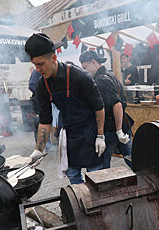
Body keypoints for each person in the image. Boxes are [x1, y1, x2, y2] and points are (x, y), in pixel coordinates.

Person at [25, 33, 106, 184]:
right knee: (73, 174)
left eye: (41, 64)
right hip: (69, 134)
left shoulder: (80, 77)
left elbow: (99, 107)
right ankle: (82, 202)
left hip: (90, 132)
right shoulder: (42, 85)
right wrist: (38, 150)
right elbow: (45, 120)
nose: (37, 69)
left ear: (54, 58)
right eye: (35, 64)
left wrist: (100, 136)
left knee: (96, 178)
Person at [80, 50, 132, 169]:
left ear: (93, 62)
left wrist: (118, 131)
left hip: (111, 129)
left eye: (85, 67)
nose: (84, 71)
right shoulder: (110, 75)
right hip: (121, 125)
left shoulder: (101, 81)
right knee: (131, 158)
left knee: (103, 166)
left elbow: (117, 104)